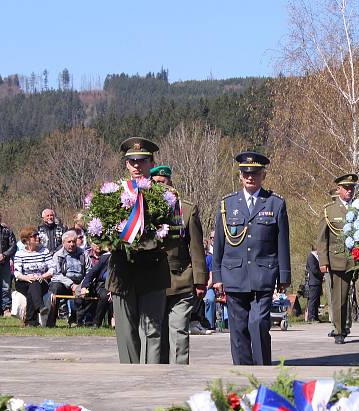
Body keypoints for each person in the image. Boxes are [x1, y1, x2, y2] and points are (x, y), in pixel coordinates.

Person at [212, 151, 291, 366]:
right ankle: (242, 371)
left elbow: (282, 242)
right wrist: (216, 275)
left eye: (255, 173)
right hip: (234, 274)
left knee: (259, 323)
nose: (250, 177)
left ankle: (262, 368)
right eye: (246, 173)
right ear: (240, 176)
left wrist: (284, 275)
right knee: (238, 327)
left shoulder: (275, 204)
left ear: (263, 175)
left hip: (263, 274)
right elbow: (219, 243)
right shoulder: (227, 204)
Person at [105, 137, 173, 363]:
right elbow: (102, 230)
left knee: (152, 331)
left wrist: (147, 241)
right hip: (122, 272)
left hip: (152, 270)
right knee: (126, 333)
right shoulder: (112, 194)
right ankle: (129, 375)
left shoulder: (165, 196)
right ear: (126, 164)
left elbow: (174, 234)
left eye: (142, 161)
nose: (137, 165)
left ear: (151, 163)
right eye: (132, 161)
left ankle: (151, 378)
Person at [149, 165, 207, 365]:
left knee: (179, 330)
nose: (160, 186)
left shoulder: (187, 209)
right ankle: (156, 374)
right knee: (155, 334)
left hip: (181, 278)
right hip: (152, 281)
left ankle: (179, 374)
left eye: (163, 182)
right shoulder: (143, 209)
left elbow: (197, 248)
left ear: (170, 183)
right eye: (155, 182)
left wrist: (200, 280)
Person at [316, 173, 359, 345]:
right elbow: (321, 239)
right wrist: (323, 261)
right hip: (338, 260)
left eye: (352, 188)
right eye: (346, 188)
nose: (349, 191)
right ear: (338, 189)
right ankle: (339, 331)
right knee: (339, 297)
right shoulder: (329, 211)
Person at [47, 230, 90, 327]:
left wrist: (83, 284)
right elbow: (56, 274)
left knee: (85, 291)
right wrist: (71, 284)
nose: (72, 244)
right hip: (63, 282)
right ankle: (50, 322)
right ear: (63, 243)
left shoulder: (83, 254)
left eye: (74, 241)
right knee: (55, 289)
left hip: (80, 282)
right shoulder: (58, 255)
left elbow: (89, 271)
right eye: (69, 242)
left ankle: (76, 320)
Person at [13, 226, 53, 327]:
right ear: (26, 240)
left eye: (37, 235)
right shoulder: (20, 254)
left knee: (34, 286)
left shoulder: (44, 251)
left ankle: (30, 321)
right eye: (34, 236)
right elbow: (17, 272)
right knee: (33, 285)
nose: (37, 237)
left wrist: (43, 276)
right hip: (23, 282)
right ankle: (40, 307)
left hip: (41, 281)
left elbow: (53, 269)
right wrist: (27, 278)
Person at [305, 245, 323, 322]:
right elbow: (314, 270)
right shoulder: (311, 257)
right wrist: (322, 274)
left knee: (316, 300)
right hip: (313, 282)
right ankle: (311, 317)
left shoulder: (315, 257)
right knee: (312, 300)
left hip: (317, 281)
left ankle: (315, 316)